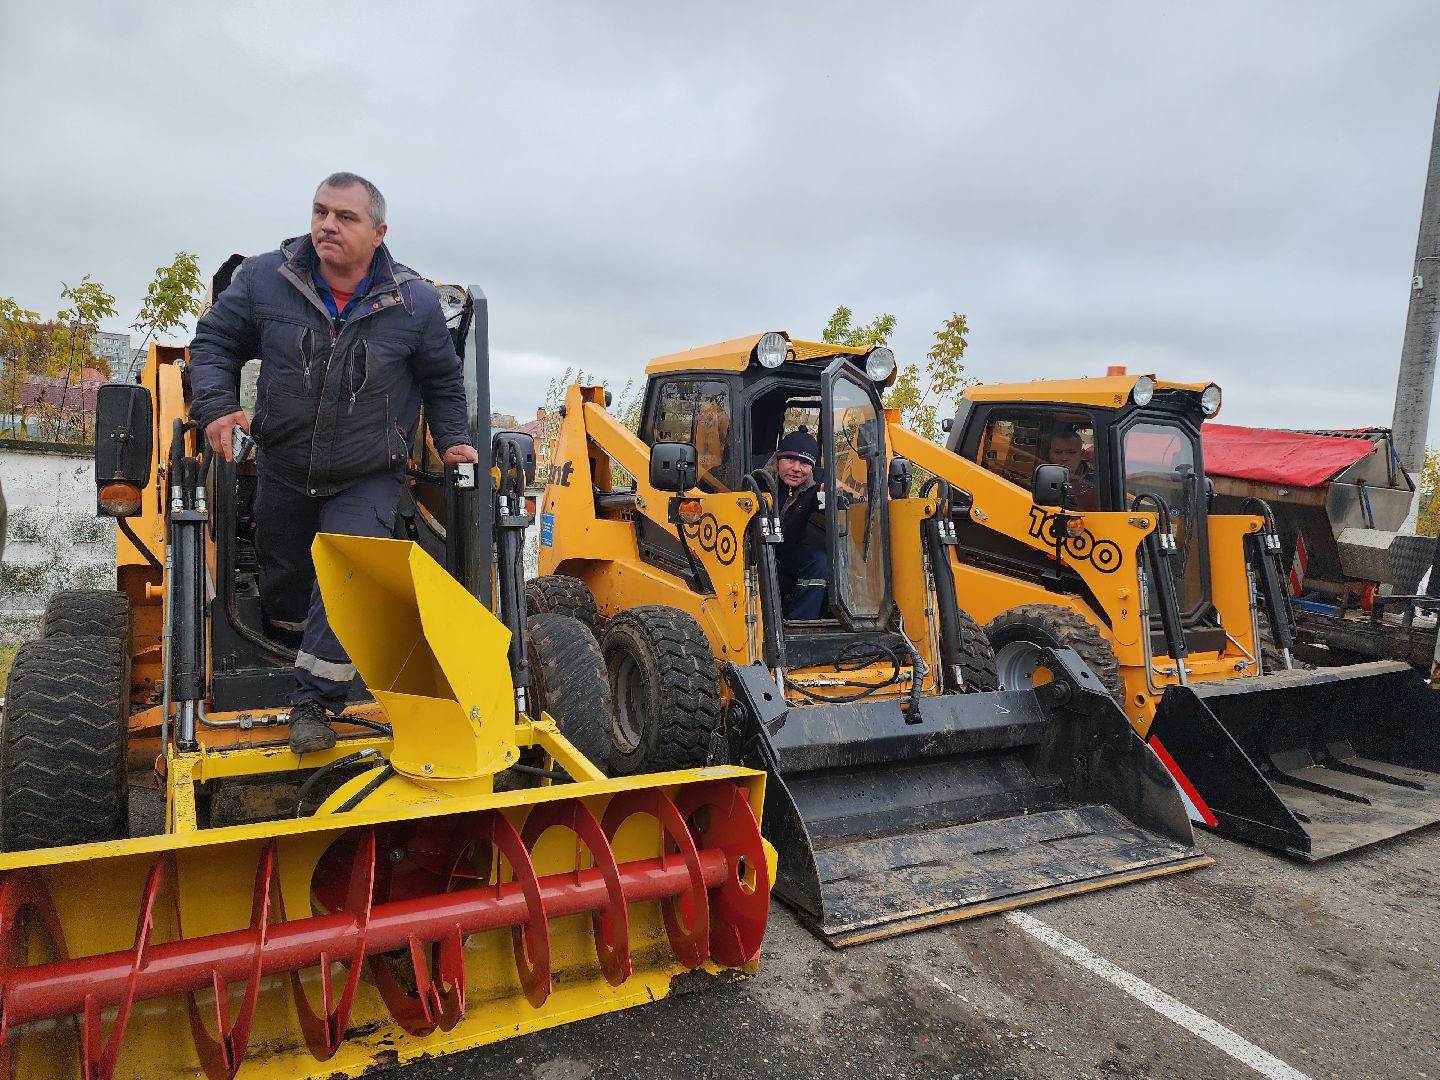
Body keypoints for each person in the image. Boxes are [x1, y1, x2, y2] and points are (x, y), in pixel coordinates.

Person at [188, 172, 479, 754]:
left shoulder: (413, 302)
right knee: (289, 584)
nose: (327, 225)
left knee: (347, 577)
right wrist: (217, 407)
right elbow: (215, 344)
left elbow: (442, 381)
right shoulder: (266, 280)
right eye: (321, 212)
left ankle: (313, 705)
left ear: (378, 232)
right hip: (283, 468)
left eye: (345, 217)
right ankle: (287, 640)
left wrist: (452, 440)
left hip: (368, 474)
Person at [765, 428, 828, 619]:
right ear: (778, 458)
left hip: (789, 551)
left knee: (819, 562)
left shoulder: (820, 481)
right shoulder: (756, 472)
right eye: (791, 460)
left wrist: (831, 498)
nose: (797, 468)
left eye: (805, 463)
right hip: (752, 549)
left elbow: (841, 507)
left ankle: (801, 623)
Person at [1047, 425, 1097, 510]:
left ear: (1081, 454)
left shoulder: (1096, 481)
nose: (1064, 458)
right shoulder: (1040, 477)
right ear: (1050, 454)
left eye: (1071, 452)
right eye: (1058, 452)